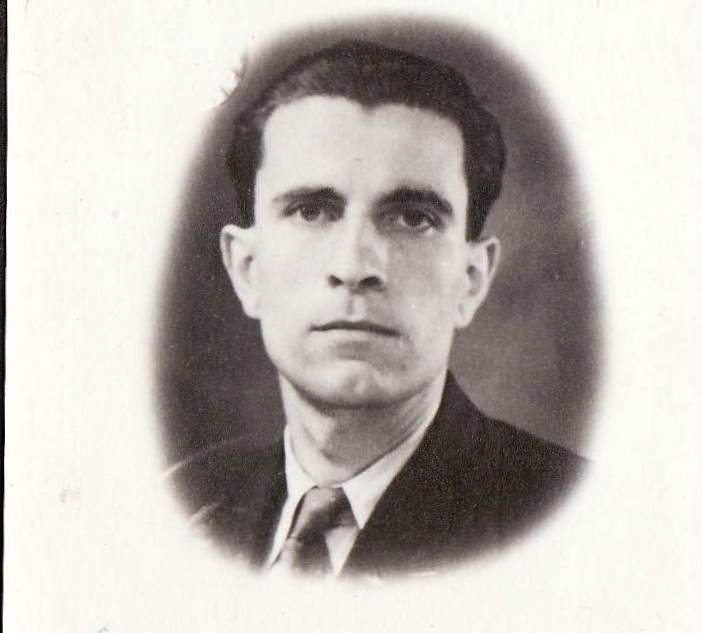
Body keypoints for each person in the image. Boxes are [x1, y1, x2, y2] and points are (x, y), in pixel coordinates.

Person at [172, 39, 583, 578]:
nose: (354, 266)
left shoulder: (567, 521)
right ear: (247, 270)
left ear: (471, 280)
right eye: (312, 211)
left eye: (412, 218)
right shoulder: (184, 507)